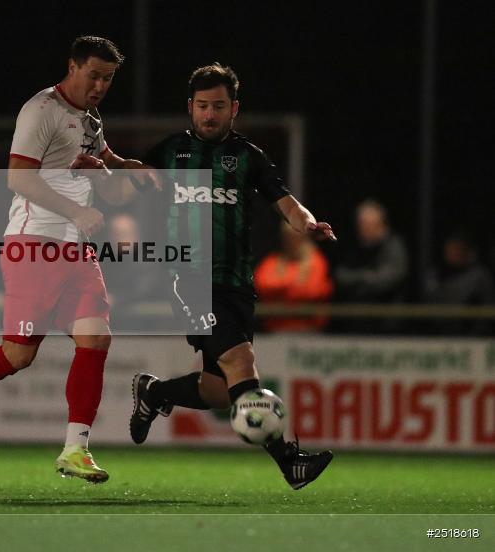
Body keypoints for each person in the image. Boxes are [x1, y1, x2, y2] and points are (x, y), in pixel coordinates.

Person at [0, 36, 137, 483]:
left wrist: (129, 173)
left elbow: (108, 181)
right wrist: (77, 209)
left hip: (76, 249)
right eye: (93, 74)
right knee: (17, 356)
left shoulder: (90, 120)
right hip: (34, 244)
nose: (99, 85)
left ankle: (75, 449)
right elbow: (19, 177)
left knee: (96, 339)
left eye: (108, 78)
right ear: (72, 66)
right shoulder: (41, 110)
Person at [128, 63, 336, 490]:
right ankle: (288, 462)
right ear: (190, 107)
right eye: (202, 106)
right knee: (242, 363)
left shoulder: (248, 157)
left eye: (218, 106)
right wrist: (106, 168)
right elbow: (131, 182)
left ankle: (155, 393)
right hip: (187, 278)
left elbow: (288, 204)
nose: (209, 115)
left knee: (219, 390)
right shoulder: (169, 151)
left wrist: (309, 225)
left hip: (236, 285)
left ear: (234, 108)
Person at [334, 199, 408, 332]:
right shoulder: (354, 247)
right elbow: (341, 276)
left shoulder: (393, 246)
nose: (363, 228)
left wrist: (358, 283)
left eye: (368, 224)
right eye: (361, 224)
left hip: (386, 324)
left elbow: (387, 281)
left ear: (381, 224)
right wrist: (366, 276)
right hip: (355, 323)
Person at [254, 221, 333, 331]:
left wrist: (280, 289)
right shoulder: (273, 260)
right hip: (274, 330)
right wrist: (295, 284)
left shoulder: (317, 261)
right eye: (288, 237)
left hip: (309, 330)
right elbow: (262, 285)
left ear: (305, 237)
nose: (291, 242)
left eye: (296, 237)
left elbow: (312, 291)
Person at [423, 230, 494, 335]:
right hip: (438, 333)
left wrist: (475, 333)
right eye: (449, 250)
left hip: (470, 335)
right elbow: (428, 304)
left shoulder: (479, 276)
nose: (452, 254)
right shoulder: (435, 274)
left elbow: (488, 307)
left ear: (466, 251)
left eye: (457, 250)